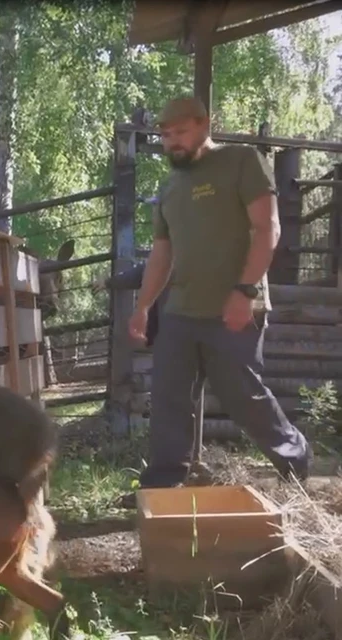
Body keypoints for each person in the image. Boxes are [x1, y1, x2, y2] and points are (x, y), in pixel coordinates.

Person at [121, 96, 311, 508]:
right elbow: (161, 253)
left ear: (204, 125)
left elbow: (267, 228)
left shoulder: (242, 161)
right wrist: (142, 306)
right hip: (179, 312)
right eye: (166, 135)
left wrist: (245, 291)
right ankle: (162, 486)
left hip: (235, 307)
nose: (173, 142)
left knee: (244, 396)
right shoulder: (169, 186)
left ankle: (295, 461)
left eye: (181, 132)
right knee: (170, 398)